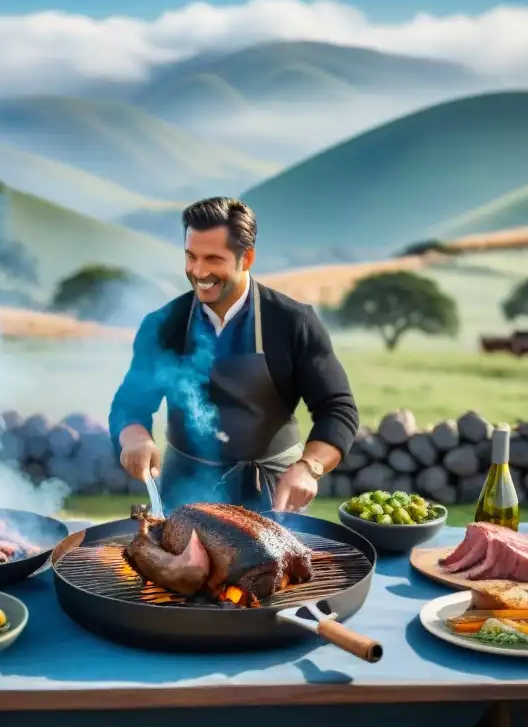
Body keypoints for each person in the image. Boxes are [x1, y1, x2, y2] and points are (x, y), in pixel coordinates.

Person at [108, 197, 359, 514]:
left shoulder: (294, 322)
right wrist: (134, 438)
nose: (198, 271)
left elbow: (337, 409)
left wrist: (309, 467)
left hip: (271, 494)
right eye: (190, 257)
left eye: (213, 259)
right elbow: (130, 403)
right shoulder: (163, 324)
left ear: (247, 257)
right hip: (182, 490)